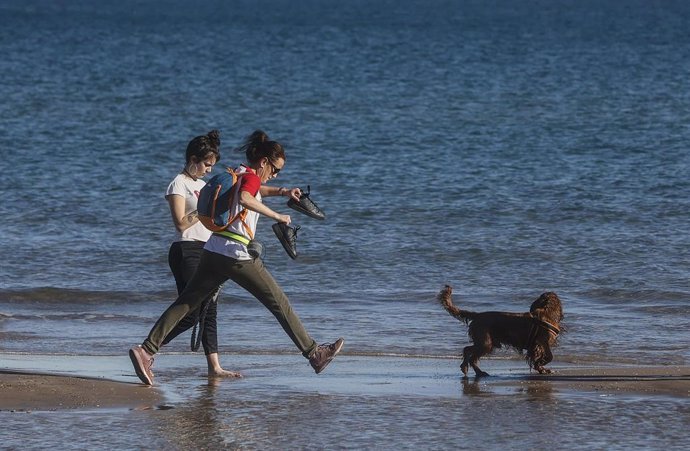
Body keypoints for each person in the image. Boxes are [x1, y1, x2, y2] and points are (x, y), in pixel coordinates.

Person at [129, 130, 344, 385]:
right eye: (275, 170)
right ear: (263, 161)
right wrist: (277, 216)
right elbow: (246, 196)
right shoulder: (250, 178)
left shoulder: (240, 172)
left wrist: (284, 191)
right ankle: (315, 353)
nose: (275, 175)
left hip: (213, 250)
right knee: (278, 301)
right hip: (236, 254)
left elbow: (255, 189)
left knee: (186, 302)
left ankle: (145, 351)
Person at [159, 129, 239, 378]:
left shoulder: (205, 185)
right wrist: (203, 207)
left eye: (212, 165)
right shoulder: (178, 183)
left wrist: (231, 185)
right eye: (206, 164)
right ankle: (147, 348)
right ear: (193, 160)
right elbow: (181, 223)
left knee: (209, 310)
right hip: (186, 249)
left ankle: (215, 367)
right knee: (191, 311)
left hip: (208, 250)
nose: (208, 170)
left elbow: (219, 218)